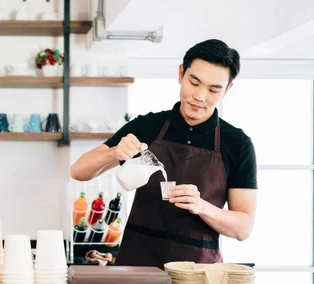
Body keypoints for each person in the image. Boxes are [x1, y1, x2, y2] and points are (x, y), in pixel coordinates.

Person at [70, 39, 257, 268]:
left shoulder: (237, 144)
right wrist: (115, 153)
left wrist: (201, 206)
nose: (200, 96)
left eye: (213, 89)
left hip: (198, 274)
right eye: (194, 82)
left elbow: (243, 228)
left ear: (227, 90)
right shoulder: (147, 126)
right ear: (181, 74)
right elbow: (78, 171)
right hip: (137, 267)